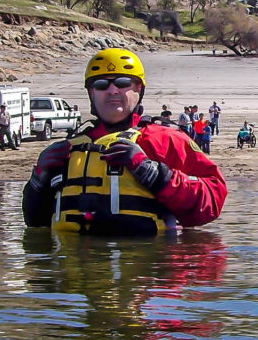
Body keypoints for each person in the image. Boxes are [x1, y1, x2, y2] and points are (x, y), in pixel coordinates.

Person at [22, 48, 227, 235]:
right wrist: (38, 181)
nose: (112, 91)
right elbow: (35, 223)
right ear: (91, 92)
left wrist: (157, 175)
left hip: (147, 268)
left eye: (122, 83)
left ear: (138, 88)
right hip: (75, 267)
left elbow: (214, 197)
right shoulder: (67, 150)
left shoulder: (165, 140)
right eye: (102, 84)